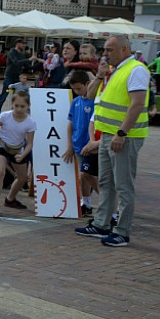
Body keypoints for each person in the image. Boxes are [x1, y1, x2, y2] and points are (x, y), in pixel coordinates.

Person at [76, 34, 150, 247]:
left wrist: (122, 133)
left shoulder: (135, 69)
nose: (104, 54)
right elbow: (89, 97)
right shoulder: (111, 72)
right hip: (107, 135)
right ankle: (101, 223)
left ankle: (122, 231)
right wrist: (98, 76)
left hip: (124, 137)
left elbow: (136, 104)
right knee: (107, 182)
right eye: (104, 50)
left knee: (124, 185)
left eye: (109, 50)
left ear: (124, 50)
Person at [0, 90, 36, 218]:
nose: (19, 109)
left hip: (17, 149)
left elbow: (30, 143)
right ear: (12, 104)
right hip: (1, 145)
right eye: (16, 106)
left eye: (22, 106)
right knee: (0, 172)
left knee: (22, 178)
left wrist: (23, 154)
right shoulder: (5, 116)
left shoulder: (30, 122)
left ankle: (10, 199)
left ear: (28, 106)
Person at [62, 70, 98, 218]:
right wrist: (70, 145)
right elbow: (70, 124)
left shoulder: (94, 102)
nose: (76, 92)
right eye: (74, 89)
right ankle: (87, 203)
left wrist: (92, 142)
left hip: (89, 146)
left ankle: (106, 199)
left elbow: (95, 124)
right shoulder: (76, 102)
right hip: (77, 145)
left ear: (87, 84)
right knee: (84, 176)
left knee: (85, 175)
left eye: (79, 88)